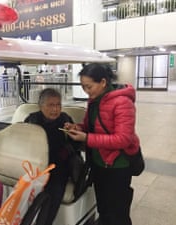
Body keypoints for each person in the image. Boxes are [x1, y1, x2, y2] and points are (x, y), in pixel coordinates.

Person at [64, 63, 140, 225]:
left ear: (103, 82)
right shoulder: (94, 101)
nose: (86, 91)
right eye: (83, 87)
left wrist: (86, 138)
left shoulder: (122, 102)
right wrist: (77, 128)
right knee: (104, 207)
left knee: (118, 212)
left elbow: (123, 139)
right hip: (98, 162)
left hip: (118, 165)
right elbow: (90, 127)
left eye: (89, 86)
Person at [24, 88, 81, 225]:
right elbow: (25, 144)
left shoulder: (65, 118)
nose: (55, 109)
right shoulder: (32, 120)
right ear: (41, 106)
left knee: (53, 188)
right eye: (51, 105)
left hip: (59, 166)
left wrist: (72, 135)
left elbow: (77, 145)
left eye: (58, 105)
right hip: (36, 164)